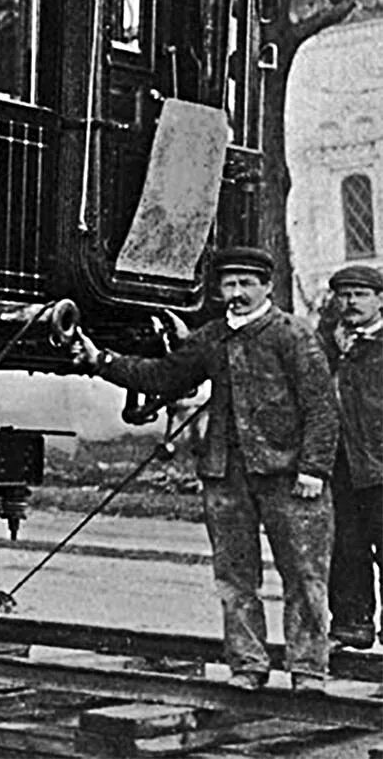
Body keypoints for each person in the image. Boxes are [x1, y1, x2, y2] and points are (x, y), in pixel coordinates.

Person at [75, 246, 337, 690]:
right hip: (225, 474)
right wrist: (103, 362)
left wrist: (313, 469)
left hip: (290, 477)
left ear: (267, 287)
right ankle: (248, 666)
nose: (236, 294)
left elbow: (322, 408)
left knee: (305, 576)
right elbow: (162, 376)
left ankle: (308, 670)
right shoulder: (213, 338)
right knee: (235, 579)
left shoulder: (293, 334)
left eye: (246, 285)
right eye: (229, 285)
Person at [322, 263, 383, 651]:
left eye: (360, 294)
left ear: (380, 300)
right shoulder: (326, 344)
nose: (351, 302)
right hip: (339, 465)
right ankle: (351, 625)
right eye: (344, 294)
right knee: (344, 547)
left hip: (381, 465)